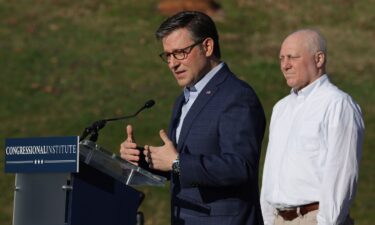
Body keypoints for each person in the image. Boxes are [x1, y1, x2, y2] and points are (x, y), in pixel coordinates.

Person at [120, 11, 266, 225]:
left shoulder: (237, 96)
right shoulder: (183, 100)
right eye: (167, 55)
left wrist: (177, 162)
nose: (172, 63)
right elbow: (178, 165)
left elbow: (239, 166)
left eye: (180, 53)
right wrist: (141, 158)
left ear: (207, 47)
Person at [260, 29, 365, 225]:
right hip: (279, 220)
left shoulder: (338, 105)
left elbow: (342, 174)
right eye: (281, 58)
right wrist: (268, 219)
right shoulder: (281, 108)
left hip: (314, 219)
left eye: (292, 57)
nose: (285, 65)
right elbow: (271, 170)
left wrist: (325, 221)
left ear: (319, 59)